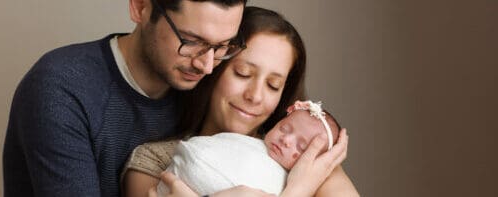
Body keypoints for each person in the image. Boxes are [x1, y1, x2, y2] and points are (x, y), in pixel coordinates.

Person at [2, 0, 247, 196]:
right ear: (140, 7)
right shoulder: (60, 88)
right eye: (191, 41)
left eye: (224, 46)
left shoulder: (209, 90)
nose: (206, 66)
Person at [122, 6, 358, 197]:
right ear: (214, 64)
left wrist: (301, 185)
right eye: (243, 73)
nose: (255, 96)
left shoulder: (308, 165)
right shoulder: (155, 160)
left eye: (273, 85)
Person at [155, 100, 342, 196]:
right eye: (285, 129)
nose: (286, 140)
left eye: (301, 147)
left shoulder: (309, 181)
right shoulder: (245, 143)